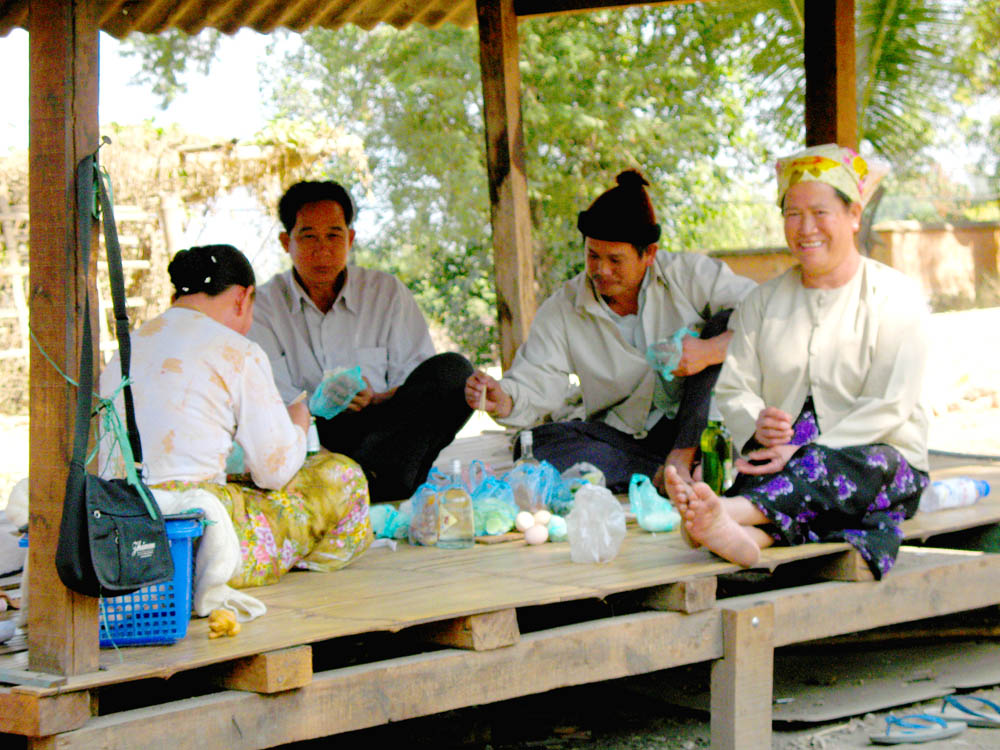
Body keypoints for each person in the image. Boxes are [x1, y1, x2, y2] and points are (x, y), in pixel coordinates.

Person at [664, 144, 930, 579]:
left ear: (853, 215)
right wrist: (758, 422)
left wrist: (806, 450)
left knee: (838, 471)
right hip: (782, 462)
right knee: (772, 473)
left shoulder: (896, 297)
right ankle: (748, 540)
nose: (804, 228)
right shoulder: (762, 303)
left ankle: (727, 511)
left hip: (875, 459)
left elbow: (891, 406)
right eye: (792, 213)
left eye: (820, 212)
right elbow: (734, 389)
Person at [99, 244, 372, 588]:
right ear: (244, 297)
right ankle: (280, 562)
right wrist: (299, 420)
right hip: (198, 527)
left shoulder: (126, 349)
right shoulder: (236, 350)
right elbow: (274, 472)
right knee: (342, 476)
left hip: (122, 525)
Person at [466, 169, 756, 493]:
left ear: (649, 254)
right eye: (593, 256)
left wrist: (708, 350)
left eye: (615, 260)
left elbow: (765, 314)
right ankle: (664, 476)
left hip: (697, 426)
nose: (601, 270)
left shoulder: (689, 274)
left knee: (727, 324)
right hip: (626, 443)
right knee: (535, 446)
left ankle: (684, 458)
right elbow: (537, 377)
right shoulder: (564, 308)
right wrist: (502, 399)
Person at [248, 181, 474, 503]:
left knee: (455, 373)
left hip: (384, 429)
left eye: (334, 236)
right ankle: (376, 481)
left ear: (350, 239)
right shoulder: (265, 307)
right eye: (309, 236)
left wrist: (375, 398)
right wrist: (317, 407)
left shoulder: (385, 292)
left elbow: (414, 381)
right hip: (313, 438)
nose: (322, 250)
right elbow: (269, 403)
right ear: (286, 242)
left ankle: (360, 481)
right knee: (296, 431)